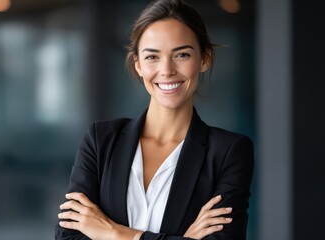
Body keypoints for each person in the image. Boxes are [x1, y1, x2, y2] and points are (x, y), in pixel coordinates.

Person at [55, 0, 254, 239]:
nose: (167, 69)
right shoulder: (100, 141)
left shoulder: (228, 152)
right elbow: (68, 236)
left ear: (204, 59)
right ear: (137, 64)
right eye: (152, 57)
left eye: (181, 54)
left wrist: (113, 232)